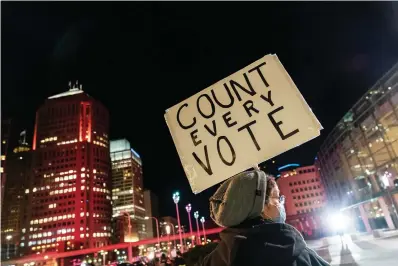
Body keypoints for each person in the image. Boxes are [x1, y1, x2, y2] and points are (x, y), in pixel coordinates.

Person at [200, 170, 330, 266]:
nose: (281, 203)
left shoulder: (211, 261)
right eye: (278, 197)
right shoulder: (295, 254)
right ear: (261, 207)